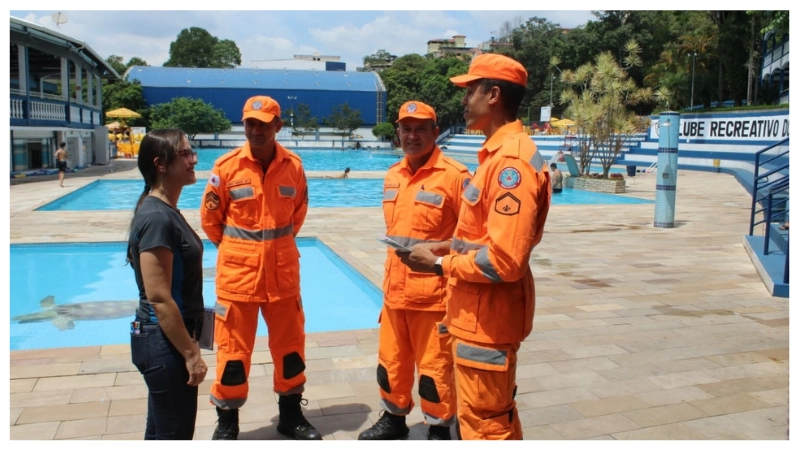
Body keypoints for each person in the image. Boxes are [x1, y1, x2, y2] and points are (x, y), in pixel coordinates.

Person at [398, 53, 551, 440]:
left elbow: (504, 260)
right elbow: (484, 239)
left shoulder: (510, 164)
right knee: (481, 420)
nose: (464, 101)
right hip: (475, 318)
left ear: (494, 95)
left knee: (486, 427)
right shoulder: (496, 156)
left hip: (488, 322)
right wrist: (445, 246)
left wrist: (438, 266)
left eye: (470, 91)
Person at [200, 95, 320, 440]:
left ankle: (291, 415)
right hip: (238, 278)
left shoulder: (294, 167)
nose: (256, 130)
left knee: (291, 347)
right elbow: (211, 221)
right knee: (233, 353)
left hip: (282, 277)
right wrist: (242, 252)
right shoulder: (226, 167)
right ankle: (227, 421)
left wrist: (273, 250)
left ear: (277, 127)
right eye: (250, 123)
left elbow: (296, 216)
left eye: (264, 124)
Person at [357, 101, 470, 441]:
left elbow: (471, 239)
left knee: (435, 370)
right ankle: (393, 420)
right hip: (395, 292)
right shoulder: (393, 175)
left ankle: (439, 427)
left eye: (421, 129)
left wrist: (437, 254)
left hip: (434, 296)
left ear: (436, 133)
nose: (412, 135)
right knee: (391, 364)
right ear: (398, 133)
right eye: (406, 129)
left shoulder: (456, 177)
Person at [126, 128, 208, 440]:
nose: (193, 159)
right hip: (165, 343)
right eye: (185, 154)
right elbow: (160, 297)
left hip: (163, 341)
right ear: (161, 164)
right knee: (174, 435)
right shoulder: (157, 217)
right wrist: (190, 354)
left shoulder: (162, 209)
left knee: (160, 433)